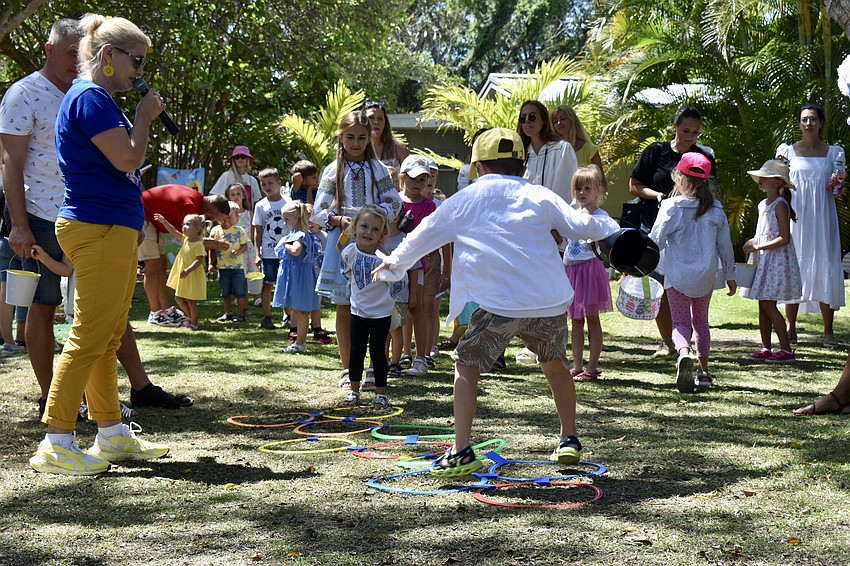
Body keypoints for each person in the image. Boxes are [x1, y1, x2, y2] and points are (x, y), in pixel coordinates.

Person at [373, 128, 619, 476]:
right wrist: (613, 229)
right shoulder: (540, 194)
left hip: (499, 304)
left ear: (478, 167)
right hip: (546, 301)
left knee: (467, 365)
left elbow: (425, 231)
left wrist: (394, 263)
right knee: (554, 365)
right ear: (522, 168)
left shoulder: (466, 198)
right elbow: (580, 225)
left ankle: (460, 450)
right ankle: (569, 438)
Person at [29, 13, 170, 476]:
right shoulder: (91, 98)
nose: (140, 72)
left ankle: (111, 435)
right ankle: (56, 440)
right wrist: (145, 118)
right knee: (90, 336)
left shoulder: (97, 99)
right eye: (137, 61)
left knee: (107, 338)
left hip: (109, 226)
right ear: (108, 56)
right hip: (98, 227)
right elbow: (128, 155)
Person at [0, 18, 82, 410]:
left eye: (82, 55)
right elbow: (10, 163)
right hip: (39, 215)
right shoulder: (24, 94)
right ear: (49, 50)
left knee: (96, 307)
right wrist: (18, 224)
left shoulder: (87, 92)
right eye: (70, 54)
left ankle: (110, 393)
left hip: (86, 214)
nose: (77, 62)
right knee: (43, 306)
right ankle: (52, 397)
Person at [311, 111, 402, 384]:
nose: (356, 143)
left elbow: (394, 202)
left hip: (373, 245)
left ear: (369, 138)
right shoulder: (332, 170)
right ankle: (348, 368)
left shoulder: (377, 169)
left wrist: (374, 216)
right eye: (350, 137)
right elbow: (317, 211)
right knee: (344, 306)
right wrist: (338, 219)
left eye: (362, 137)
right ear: (341, 137)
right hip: (341, 244)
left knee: (379, 306)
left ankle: (376, 367)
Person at [629, 105, 717, 358]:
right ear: (675, 127)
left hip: (689, 233)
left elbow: (710, 192)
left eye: (696, 132)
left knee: (686, 286)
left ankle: (686, 343)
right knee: (659, 285)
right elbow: (635, 184)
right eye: (686, 130)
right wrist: (658, 196)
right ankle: (669, 341)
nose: (690, 136)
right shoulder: (657, 152)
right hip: (654, 222)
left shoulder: (703, 157)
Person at [649, 153, 736, 394]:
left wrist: (643, 265)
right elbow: (725, 245)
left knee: (679, 322)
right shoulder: (715, 208)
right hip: (705, 277)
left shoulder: (670, 207)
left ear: (678, 177)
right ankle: (704, 372)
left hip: (676, 276)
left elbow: (656, 240)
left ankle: (683, 354)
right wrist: (729, 273)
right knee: (701, 322)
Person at [515, 100, 578, 365]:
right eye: (523, 118)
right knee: (527, 287)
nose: (527, 122)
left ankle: (552, 344)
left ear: (543, 119)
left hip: (553, 233)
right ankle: (532, 344)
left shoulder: (561, 149)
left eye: (532, 117)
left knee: (551, 287)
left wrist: (554, 225)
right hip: (525, 233)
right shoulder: (519, 155)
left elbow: (566, 190)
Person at [776, 103, 845, 347]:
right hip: (796, 216)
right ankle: (790, 326)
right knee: (795, 265)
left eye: (813, 119)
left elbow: (838, 189)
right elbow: (779, 184)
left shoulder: (834, 153)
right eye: (804, 119)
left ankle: (828, 331)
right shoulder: (786, 152)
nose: (809, 124)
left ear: (821, 123)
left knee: (825, 265)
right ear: (799, 123)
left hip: (823, 217)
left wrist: (837, 183)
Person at [139, 184, 229, 326]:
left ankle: (166, 311)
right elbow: (190, 239)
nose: (220, 222)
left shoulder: (198, 200)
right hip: (143, 217)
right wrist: (216, 244)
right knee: (152, 266)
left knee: (161, 266)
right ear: (210, 212)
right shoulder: (190, 206)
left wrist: (214, 243)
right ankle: (155, 314)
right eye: (220, 218)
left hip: (155, 222)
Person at [741, 160, 801, 364]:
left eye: (765, 177)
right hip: (765, 259)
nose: (760, 180)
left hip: (776, 260)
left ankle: (786, 349)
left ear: (777, 182)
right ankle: (766, 347)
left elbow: (784, 237)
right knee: (762, 303)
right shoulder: (762, 204)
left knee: (768, 302)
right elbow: (765, 232)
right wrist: (753, 241)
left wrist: (759, 246)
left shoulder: (780, 205)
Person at [397, 155, 450, 377]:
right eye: (413, 179)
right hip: (399, 263)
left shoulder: (430, 207)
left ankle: (422, 356)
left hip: (423, 263)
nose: (418, 184)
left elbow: (442, 237)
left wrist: (446, 269)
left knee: (420, 306)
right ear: (402, 178)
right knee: (400, 309)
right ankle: (400, 354)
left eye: (423, 179)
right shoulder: (394, 202)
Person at [564, 166, 613, 382]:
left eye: (587, 188)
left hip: (590, 271)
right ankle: (576, 365)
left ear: (599, 190)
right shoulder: (570, 214)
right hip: (572, 270)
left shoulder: (602, 217)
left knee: (592, 319)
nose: (582, 193)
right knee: (575, 320)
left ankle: (591, 367)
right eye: (577, 188)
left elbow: (606, 236)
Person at [342, 205, 394, 408]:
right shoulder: (348, 252)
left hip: (381, 313)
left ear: (382, 234)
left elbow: (397, 281)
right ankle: (354, 391)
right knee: (356, 351)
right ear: (354, 228)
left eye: (375, 229)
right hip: (358, 312)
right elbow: (346, 273)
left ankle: (380, 393)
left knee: (378, 353)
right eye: (364, 226)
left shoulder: (386, 258)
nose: (368, 232)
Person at [273, 201, 320, 353]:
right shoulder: (299, 234)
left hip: (300, 276)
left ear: (298, 219)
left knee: (301, 310)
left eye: (287, 219)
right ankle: (298, 341)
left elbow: (296, 250)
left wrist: (285, 243)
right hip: (298, 274)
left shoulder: (299, 235)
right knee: (298, 309)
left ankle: (300, 343)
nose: (285, 222)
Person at [252, 168, 291, 329]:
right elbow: (258, 231)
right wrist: (257, 253)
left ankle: (288, 315)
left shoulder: (289, 203)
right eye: (263, 184)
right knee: (267, 284)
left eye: (270, 183)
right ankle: (266, 317)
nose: (267, 187)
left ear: (279, 183)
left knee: (288, 283)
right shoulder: (261, 206)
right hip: (268, 252)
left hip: (288, 251)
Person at [155, 213, 206, 330]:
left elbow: (199, 260)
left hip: (192, 275)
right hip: (184, 275)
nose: (184, 226)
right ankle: (190, 317)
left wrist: (188, 270)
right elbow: (173, 231)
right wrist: (164, 222)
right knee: (178, 298)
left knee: (191, 300)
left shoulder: (198, 245)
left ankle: (194, 323)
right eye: (183, 224)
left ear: (197, 229)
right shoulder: (185, 239)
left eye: (188, 224)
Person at [209, 202, 249, 322]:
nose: (238, 217)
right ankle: (227, 313)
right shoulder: (215, 231)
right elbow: (211, 248)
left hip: (237, 268)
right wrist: (211, 264)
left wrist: (238, 252)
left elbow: (245, 246)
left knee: (240, 292)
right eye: (236, 214)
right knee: (225, 292)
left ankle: (240, 314)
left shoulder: (239, 230)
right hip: (222, 267)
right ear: (226, 217)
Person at [550, 104, 607, 186]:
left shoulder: (589, 149)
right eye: (555, 121)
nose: (559, 123)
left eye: (563, 119)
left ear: (572, 120)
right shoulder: (551, 151)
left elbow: (602, 184)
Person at [365, 100, 409, 170]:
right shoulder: (358, 149)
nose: (376, 122)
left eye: (380, 118)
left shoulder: (399, 148)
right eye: (371, 118)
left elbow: (408, 177)